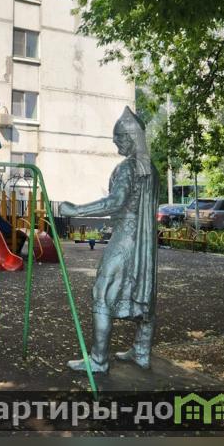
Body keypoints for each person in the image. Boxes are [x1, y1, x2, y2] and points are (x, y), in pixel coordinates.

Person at [60, 106, 159, 373]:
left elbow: (115, 202)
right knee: (143, 291)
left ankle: (98, 360)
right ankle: (141, 351)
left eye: (118, 137)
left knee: (103, 293)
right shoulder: (151, 169)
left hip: (125, 240)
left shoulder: (128, 167)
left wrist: (76, 210)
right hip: (145, 245)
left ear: (130, 137)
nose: (115, 143)